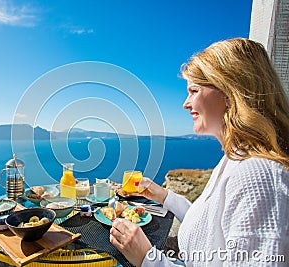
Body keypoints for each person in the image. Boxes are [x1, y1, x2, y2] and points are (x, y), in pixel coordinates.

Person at [110, 38, 289, 266]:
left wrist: (149, 259)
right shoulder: (235, 159)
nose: (185, 103)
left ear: (229, 92)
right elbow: (210, 227)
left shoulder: (259, 176)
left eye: (194, 90)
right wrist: (164, 196)